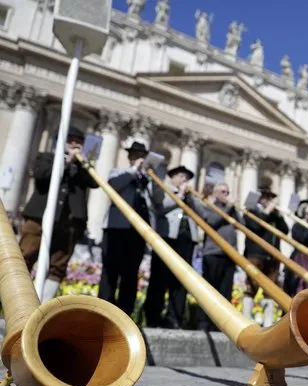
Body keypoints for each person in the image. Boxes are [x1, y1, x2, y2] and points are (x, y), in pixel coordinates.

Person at [19, 126, 98, 302]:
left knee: (58, 265)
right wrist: (66, 162)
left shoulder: (82, 167)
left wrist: (83, 164)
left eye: (78, 143)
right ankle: (17, 303)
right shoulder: (46, 158)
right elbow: (40, 174)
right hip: (39, 218)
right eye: (71, 141)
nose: (75, 145)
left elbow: (94, 183)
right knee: (25, 257)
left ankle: (42, 305)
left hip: (69, 223)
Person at [99, 142, 164, 316]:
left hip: (138, 232)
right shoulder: (119, 172)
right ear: (130, 157)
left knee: (130, 273)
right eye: (136, 155)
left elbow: (159, 199)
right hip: (116, 228)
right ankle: (103, 311)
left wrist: (154, 178)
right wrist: (134, 169)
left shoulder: (148, 180)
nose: (140, 159)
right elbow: (114, 185)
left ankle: (125, 314)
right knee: (110, 271)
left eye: (143, 156)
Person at [144, 166, 198, 329]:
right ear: (173, 178)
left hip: (186, 240)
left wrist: (191, 198)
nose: (184, 181)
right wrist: (179, 196)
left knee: (180, 281)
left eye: (186, 178)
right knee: (159, 278)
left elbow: (200, 213)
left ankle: (175, 318)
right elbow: (160, 207)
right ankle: (153, 316)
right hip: (168, 237)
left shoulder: (190, 197)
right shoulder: (164, 189)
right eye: (182, 176)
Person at [185, 182, 242, 331]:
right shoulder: (209, 206)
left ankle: (222, 325)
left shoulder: (231, 210)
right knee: (210, 290)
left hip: (229, 254)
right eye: (223, 192)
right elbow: (211, 220)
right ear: (216, 193)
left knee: (225, 291)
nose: (226, 195)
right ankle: (203, 322)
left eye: (228, 192)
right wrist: (229, 207)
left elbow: (242, 225)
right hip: (213, 253)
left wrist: (235, 209)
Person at [243, 184, 289, 317]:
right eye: (266, 197)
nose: (269, 200)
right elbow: (255, 226)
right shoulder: (250, 211)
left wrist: (279, 216)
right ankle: (246, 319)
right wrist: (267, 211)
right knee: (251, 288)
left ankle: (267, 322)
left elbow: (285, 230)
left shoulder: (274, 216)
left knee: (270, 291)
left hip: (273, 257)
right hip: (255, 255)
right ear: (259, 198)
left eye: (270, 197)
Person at [283, 199, 308, 297]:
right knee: (301, 287)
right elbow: (301, 239)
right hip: (301, 260)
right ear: (304, 214)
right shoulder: (298, 226)